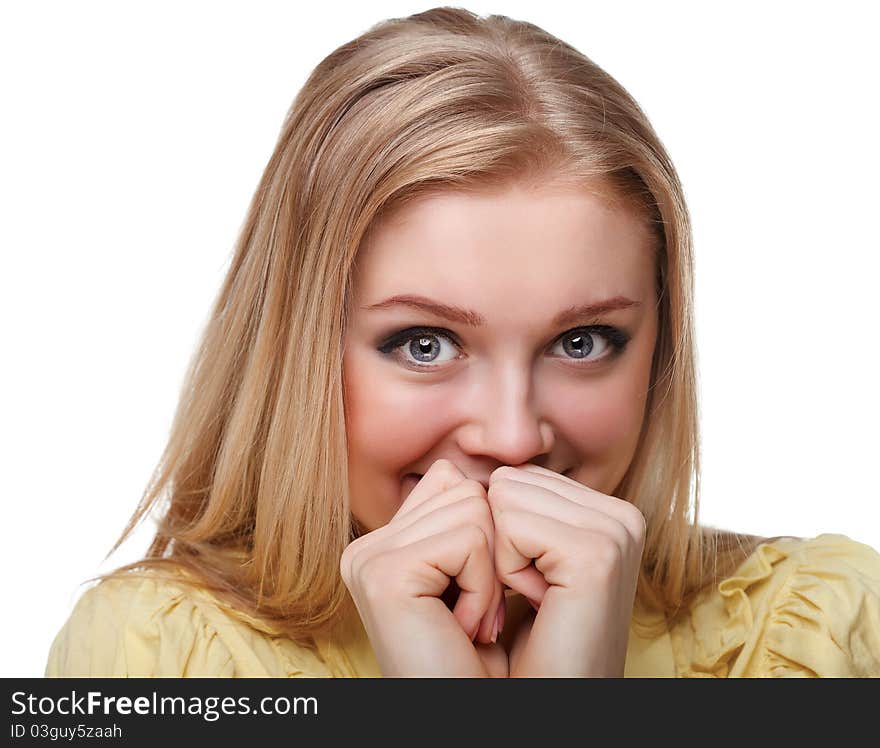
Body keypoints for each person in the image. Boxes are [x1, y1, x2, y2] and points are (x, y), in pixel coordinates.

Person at [46, 6, 880, 678]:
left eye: (584, 341)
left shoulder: (825, 634)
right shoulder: (152, 660)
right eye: (423, 344)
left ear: (660, 347)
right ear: (298, 349)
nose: (513, 437)